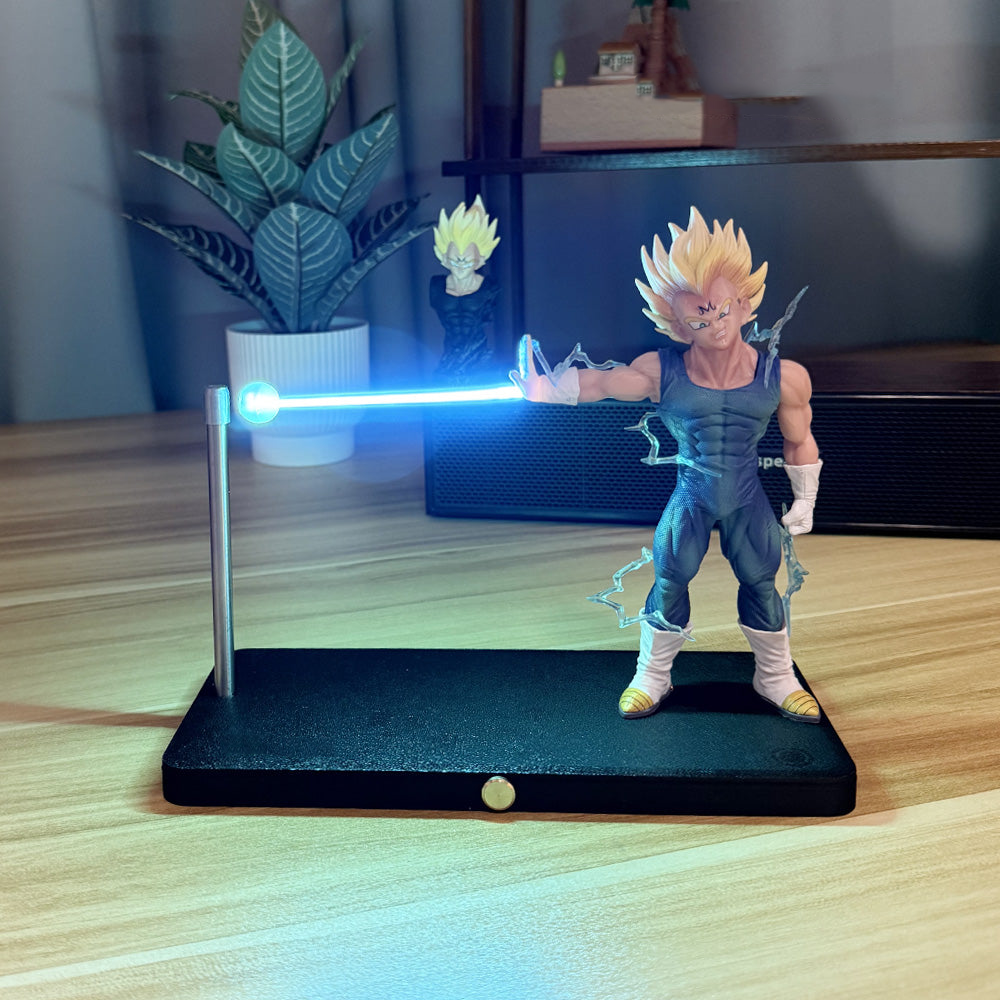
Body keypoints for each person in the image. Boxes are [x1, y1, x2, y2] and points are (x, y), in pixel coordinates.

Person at [511, 207, 823, 723]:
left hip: (746, 496)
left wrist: (806, 500)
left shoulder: (784, 376)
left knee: (762, 580)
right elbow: (602, 382)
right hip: (692, 494)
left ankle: (775, 676)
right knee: (670, 577)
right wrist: (548, 388)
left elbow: (800, 440)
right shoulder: (661, 371)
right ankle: (652, 675)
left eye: (722, 312)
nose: (714, 326)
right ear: (678, 325)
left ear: (745, 305)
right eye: (699, 320)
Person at [430, 196, 501, 383]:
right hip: (448, 359)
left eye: (468, 261)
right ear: (444, 259)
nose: (461, 265)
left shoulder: (489, 288)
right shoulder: (437, 286)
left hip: (479, 357)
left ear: (480, 261)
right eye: (455, 261)